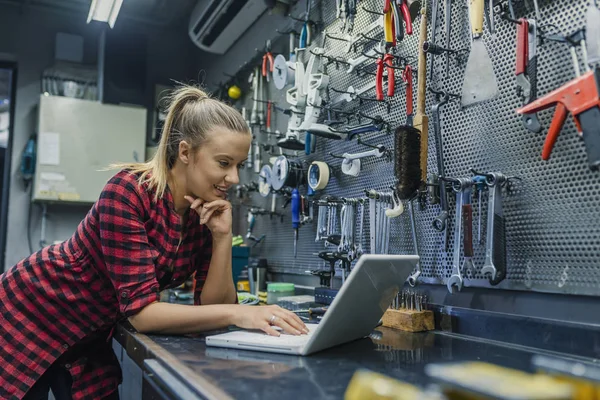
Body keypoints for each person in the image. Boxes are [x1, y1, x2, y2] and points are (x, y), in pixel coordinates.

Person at [0, 85, 308, 400]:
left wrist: (222, 238)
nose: (235, 179)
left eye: (239, 166)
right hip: (32, 314)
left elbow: (214, 307)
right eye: (224, 163)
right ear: (186, 152)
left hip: (89, 337)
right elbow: (143, 314)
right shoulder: (128, 192)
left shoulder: (202, 215)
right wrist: (238, 314)